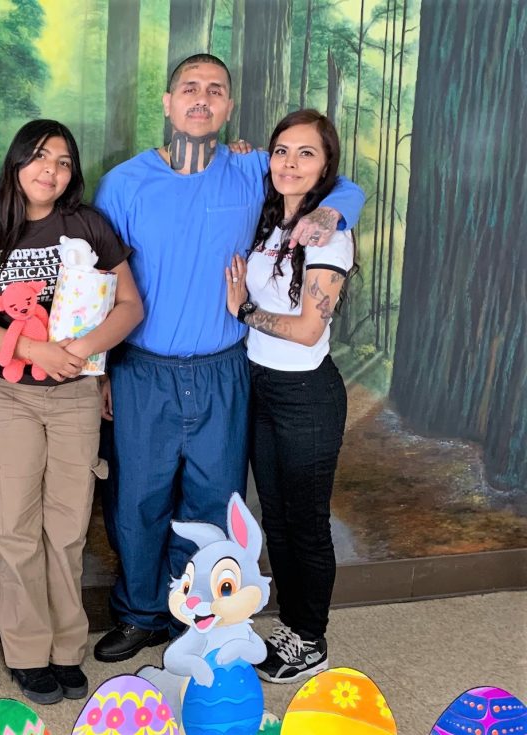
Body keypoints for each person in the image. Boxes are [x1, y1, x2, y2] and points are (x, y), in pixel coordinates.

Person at [92, 53, 365, 663]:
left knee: (213, 501)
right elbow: (100, 285)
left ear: (229, 107)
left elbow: (338, 183)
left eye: (215, 90)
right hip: (142, 369)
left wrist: (335, 209)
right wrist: (103, 371)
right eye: (188, 88)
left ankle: (199, 616)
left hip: (224, 369)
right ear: (166, 103)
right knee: (138, 498)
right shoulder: (125, 183)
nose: (201, 98)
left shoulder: (249, 172)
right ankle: (140, 614)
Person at [0, 120, 143, 704]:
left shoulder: (88, 225)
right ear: (16, 162)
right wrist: (33, 348)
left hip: (75, 394)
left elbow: (130, 305)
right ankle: (26, 651)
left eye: (64, 162)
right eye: (40, 157)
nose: (52, 170)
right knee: (14, 528)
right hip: (7, 395)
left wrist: (83, 350)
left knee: (66, 528)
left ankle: (68, 648)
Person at [224, 109, 353, 683]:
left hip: (307, 395)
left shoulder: (331, 232)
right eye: (281, 151)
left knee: (305, 523)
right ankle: (293, 628)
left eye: (306, 153)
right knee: (275, 516)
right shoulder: (272, 221)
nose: (289, 163)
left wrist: (245, 311)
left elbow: (307, 329)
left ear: (326, 166)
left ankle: (311, 639)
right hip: (262, 387)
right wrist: (244, 150)